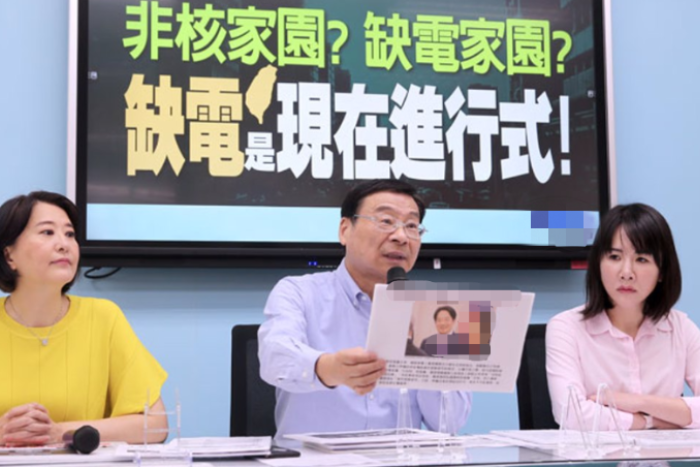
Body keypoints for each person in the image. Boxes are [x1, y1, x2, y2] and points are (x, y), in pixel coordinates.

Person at [258, 180, 471, 438]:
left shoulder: (435, 311)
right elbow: (275, 359)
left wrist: (423, 354)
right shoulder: (299, 293)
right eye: (386, 221)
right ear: (345, 230)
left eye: (412, 226)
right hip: (315, 458)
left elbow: (450, 423)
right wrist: (329, 368)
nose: (401, 237)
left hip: (398, 457)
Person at [0, 191, 168, 446]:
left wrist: (60, 432)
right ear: (9, 256)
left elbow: (155, 425)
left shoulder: (103, 317)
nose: (64, 244)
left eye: (70, 234)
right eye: (47, 232)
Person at [546, 203, 700, 431]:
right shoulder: (566, 328)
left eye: (641, 259)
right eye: (615, 257)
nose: (626, 273)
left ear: (662, 272)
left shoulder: (681, 328)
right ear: (598, 264)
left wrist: (639, 403)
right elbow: (570, 414)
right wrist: (650, 420)